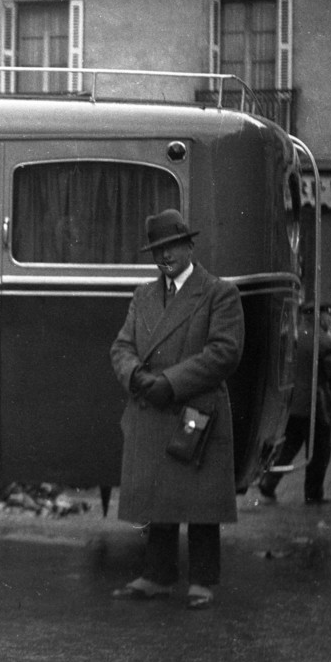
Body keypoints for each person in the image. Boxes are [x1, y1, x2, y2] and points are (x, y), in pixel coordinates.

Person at [109, 209, 244, 610]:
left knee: (201, 502)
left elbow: (224, 353)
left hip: (195, 409)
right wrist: (136, 377)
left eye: (172, 247)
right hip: (152, 406)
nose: (164, 256)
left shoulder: (219, 293)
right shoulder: (143, 295)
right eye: (157, 250)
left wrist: (169, 383)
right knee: (157, 497)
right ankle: (157, 576)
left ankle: (202, 580)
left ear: (189, 245)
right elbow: (121, 347)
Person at [258, 303, 331, 504]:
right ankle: (313, 494)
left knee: (288, 446)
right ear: (321, 317)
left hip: (291, 403)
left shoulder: (289, 338)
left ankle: (268, 481)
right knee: (319, 450)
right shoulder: (324, 341)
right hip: (316, 405)